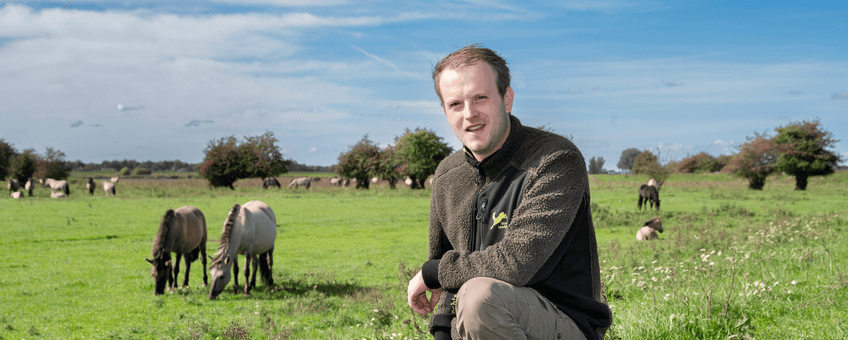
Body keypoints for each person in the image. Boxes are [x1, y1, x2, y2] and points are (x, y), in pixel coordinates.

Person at [406, 44, 612, 340]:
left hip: (561, 322)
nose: (469, 114)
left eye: (480, 98)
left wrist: (432, 272)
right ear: (444, 111)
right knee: (472, 296)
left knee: (480, 296)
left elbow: (518, 263)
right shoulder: (447, 176)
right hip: (479, 326)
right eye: (455, 104)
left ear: (507, 99)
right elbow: (446, 286)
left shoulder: (555, 159)